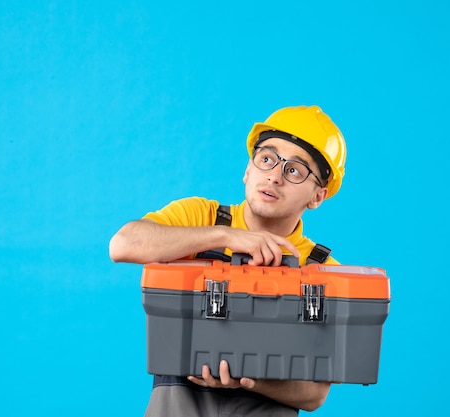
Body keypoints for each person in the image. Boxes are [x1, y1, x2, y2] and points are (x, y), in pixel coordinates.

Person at [109, 105, 347, 416]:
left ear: (317, 196)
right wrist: (225, 236)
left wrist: (248, 380)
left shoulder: (325, 272)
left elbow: (315, 394)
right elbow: (124, 244)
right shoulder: (200, 217)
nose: (274, 176)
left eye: (294, 170)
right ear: (248, 170)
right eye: (266, 159)